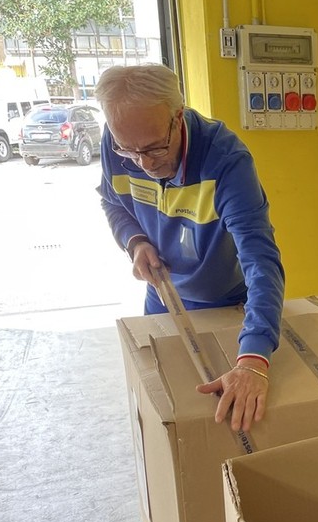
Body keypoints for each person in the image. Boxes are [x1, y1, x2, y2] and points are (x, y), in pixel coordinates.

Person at [96, 64, 284, 433]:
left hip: (227, 303)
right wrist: (135, 242)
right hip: (162, 298)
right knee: (169, 413)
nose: (143, 163)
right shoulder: (118, 141)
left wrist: (253, 359)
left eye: (154, 148)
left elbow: (261, 261)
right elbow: (112, 202)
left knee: (220, 424)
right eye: (129, 151)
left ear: (177, 116)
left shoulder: (226, 161)